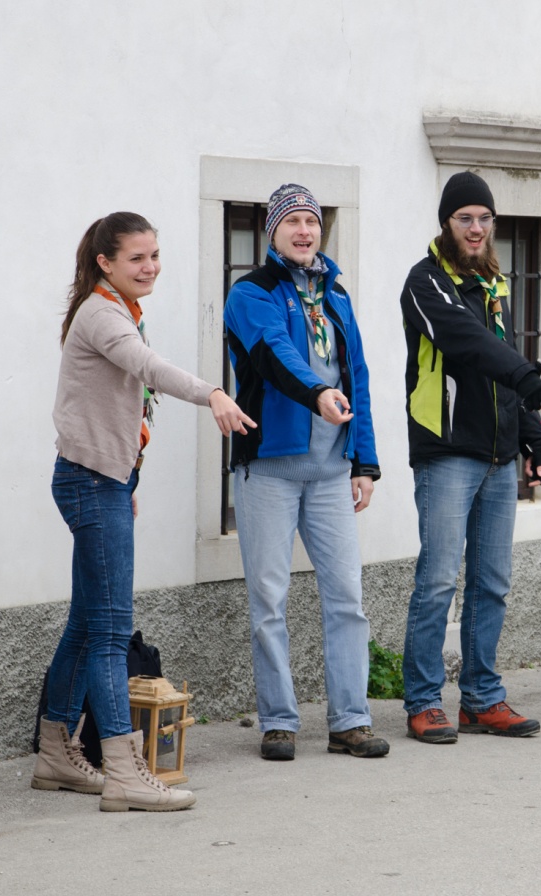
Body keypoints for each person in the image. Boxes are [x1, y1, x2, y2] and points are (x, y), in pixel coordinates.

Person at [37, 211, 254, 809]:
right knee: (110, 631)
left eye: (155, 255)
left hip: (101, 479)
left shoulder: (115, 307)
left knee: (87, 622)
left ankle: (56, 753)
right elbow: (147, 369)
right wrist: (211, 391)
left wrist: (126, 474)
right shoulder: (103, 314)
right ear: (105, 263)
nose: (150, 266)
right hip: (90, 482)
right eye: (137, 257)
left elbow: (112, 404)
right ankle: (125, 772)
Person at [224, 184, 387, 761]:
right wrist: (318, 391)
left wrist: (363, 461)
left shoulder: (336, 297)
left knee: (347, 596)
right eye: (291, 221)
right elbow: (273, 355)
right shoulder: (251, 292)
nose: (303, 231)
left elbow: (358, 377)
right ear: (271, 231)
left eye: (311, 222)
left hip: (329, 472)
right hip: (268, 469)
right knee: (269, 598)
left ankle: (350, 720)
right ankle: (279, 720)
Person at [398, 171, 541, 743]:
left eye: (484, 219)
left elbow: (503, 358)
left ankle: (482, 698)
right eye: (464, 218)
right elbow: (469, 343)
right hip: (447, 452)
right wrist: (529, 377)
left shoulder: (495, 282)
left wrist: (531, 432)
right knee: (439, 580)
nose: (475, 228)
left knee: (491, 582)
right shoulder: (426, 283)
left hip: (497, 456)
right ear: (446, 223)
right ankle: (422, 701)